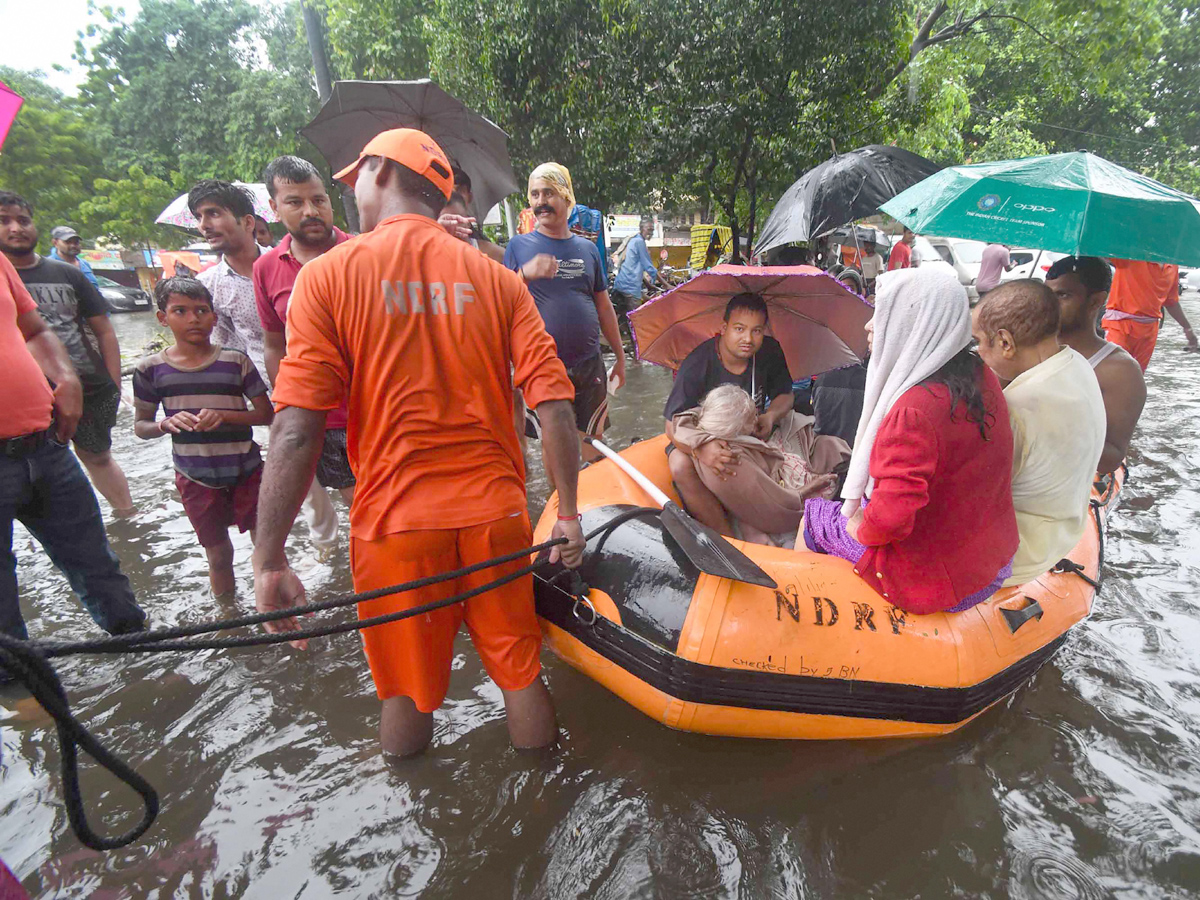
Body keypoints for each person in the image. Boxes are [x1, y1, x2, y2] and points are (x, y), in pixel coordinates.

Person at [252, 128, 586, 758]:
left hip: (394, 527)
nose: (349, 192)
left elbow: (296, 429)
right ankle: (545, 803)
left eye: (354, 177)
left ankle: (415, 807)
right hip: (495, 516)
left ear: (378, 171)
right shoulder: (497, 279)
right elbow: (556, 405)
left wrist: (270, 561)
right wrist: (567, 513)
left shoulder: (325, 278)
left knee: (403, 690)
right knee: (519, 671)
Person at [801, 267, 1018, 615]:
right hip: (990, 563)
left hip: (937, 578)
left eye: (883, 314)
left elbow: (890, 520)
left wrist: (860, 525)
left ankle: (808, 620)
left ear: (917, 325)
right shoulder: (981, 375)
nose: (869, 326)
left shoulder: (913, 411)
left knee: (813, 517)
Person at [0, 251, 145, 682]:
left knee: (97, 564)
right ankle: (25, 697)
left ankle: (144, 655)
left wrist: (66, 376)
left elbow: (35, 330)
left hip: (45, 443)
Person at [133, 277, 273, 598]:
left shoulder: (235, 361)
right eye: (180, 311)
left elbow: (266, 415)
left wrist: (224, 416)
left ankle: (277, 612)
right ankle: (227, 616)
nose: (193, 319)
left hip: (247, 469)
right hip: (195, 476)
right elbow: (141, 426)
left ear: (214, 316)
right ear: (162, 318)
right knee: (219, 556)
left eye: (201, 310)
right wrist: (166, 424)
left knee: (267, 547)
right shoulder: (151, 370)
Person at [0, 191, 136, 516]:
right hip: (25, 397)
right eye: (4, 221)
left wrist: (114, 383)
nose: (16, 228)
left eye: (23, 220)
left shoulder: (68, 273)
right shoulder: (5, 278)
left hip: (87, 384)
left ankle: (127, 518)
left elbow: (103, 329)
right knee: (36, 471)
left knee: (98, 456)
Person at [971, 280, 1105, 585]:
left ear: (1005, 343)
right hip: (1063, 534)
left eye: (979, 341)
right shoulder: (1077, 363)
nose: (978, 351)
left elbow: (975, 496)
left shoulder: (1017, 408)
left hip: (1017, 560)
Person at [503, 162, 626, 460]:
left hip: (589, 362)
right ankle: (562, 506)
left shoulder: (587, 250)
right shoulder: (518, 247)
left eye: (549, 193)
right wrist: (525, 274)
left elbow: (603, 305)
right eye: (534, 195)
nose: (541, 202)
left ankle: (591, 501)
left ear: (567, 198)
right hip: (541, 363)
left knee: (594, 441)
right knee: (555, 444)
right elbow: (499, 302)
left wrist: (620, 358)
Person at [254, 155, 356, 509]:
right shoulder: (266, 268)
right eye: (295, 202)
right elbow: (273, 343)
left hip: (376, 408)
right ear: (274, 208)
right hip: (322, 418)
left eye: (318, 200)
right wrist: (288, 407)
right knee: (354, 503)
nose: (311, 211)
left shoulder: (362, 252)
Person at [663, 292, 794, 534]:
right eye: (739, 329)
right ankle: (726, 537)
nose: (748, 339)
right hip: (701, 434)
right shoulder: (698, 362)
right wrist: (701, 448)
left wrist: (770, 416)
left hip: (751, 432)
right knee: (680, 467)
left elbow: (785, 395)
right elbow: (672, 425)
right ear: (724, 328)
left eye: (756, 331)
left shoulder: (770, 351)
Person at [668, 385, 842, 546]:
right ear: (740, 426)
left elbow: (686, 416)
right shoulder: (732, 458)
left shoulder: (697, 433)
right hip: (767, 522)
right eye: (753, 417)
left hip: (746, 506)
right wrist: (814, 486)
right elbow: (778, 507)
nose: (757, 419)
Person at [1046, 256, 1146, 475]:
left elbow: (1111, 458)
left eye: (1063, 295)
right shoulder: (1025, 349)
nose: (1050, 305)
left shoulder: (1119, 370)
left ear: (1095, 301)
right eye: (1047, 295)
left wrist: (1046, 423)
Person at [191, 180, 271, 378]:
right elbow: (224, 349)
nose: (204, 225)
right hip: (260, 393)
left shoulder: (287, 263)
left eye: (214, 213)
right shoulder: (207, 285)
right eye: (198, 217)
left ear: (248, 222)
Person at [1104, 258, 1197, 370]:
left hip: (1149, 331)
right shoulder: (1133, 256)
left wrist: (1188, 329)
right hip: (1120, 325)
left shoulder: (1172, 266)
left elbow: (1171, 302)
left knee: (1137, 376)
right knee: (1114, 371)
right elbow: (1104, 253)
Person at [443, 166, 505, 263]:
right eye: (449, 190)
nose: (454, 196)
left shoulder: (491, 252)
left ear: (470, 196)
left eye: (460, 191)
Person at [611, 216, 659, 322]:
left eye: (652, 230)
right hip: (630, 288)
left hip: (622, 285)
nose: (651, 232)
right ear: (642, 228)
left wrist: (649, 285)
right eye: (649, 229)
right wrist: (666, 284)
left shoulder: (634, 240)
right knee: (637, 322)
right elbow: (649, 267)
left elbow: (634, 269)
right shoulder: (639, 242)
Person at [812, 360, 868, 447]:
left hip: (826, 449)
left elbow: (816, 413)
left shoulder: (822, 379)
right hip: (856, 446)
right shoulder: (868, 379)